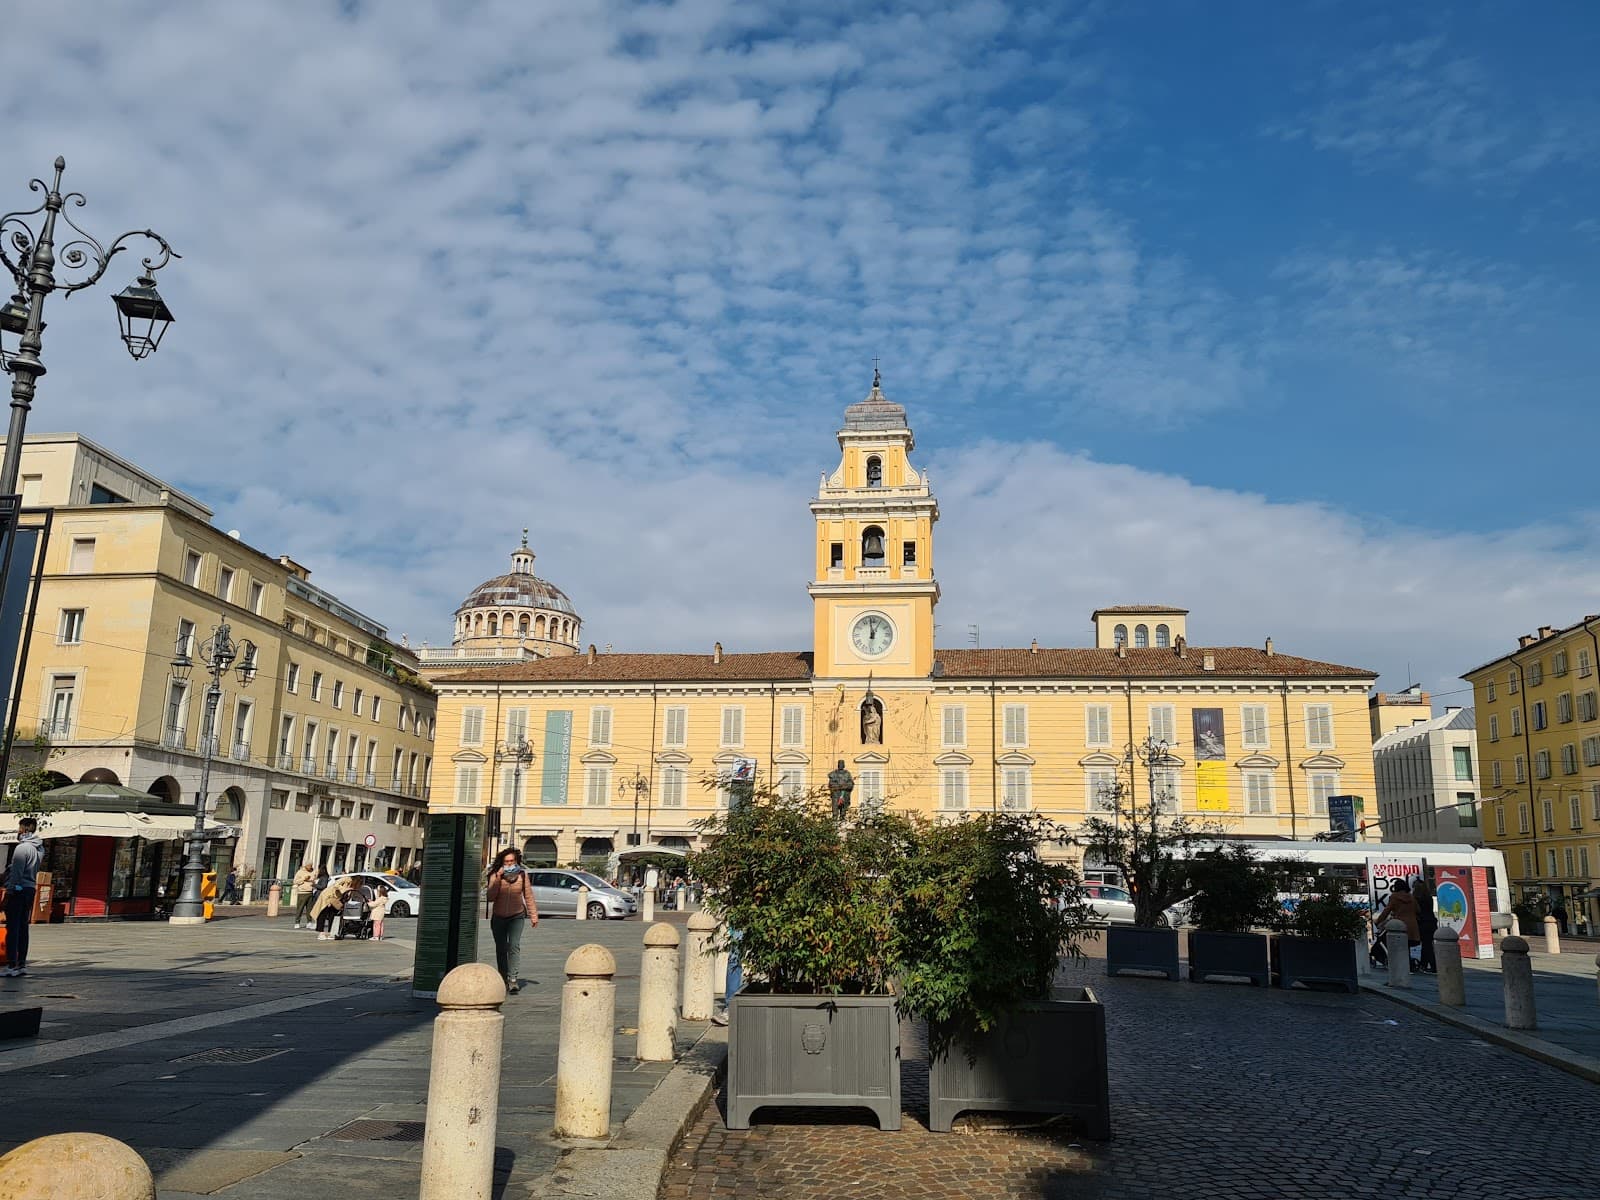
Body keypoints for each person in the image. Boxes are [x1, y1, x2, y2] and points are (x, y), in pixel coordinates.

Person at [486, 848, 538, 994]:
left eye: (512, 861)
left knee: (514, 946)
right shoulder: (495, 875)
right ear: (502, 863)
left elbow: (528, 896)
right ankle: (502, 978)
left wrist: (534, 915)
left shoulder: (522, 875)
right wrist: (498, 877)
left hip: (517, 916)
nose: (509, 864)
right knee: (501, 948)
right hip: (499, 917)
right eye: (506, 862)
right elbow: (490, 897)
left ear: (516, 862)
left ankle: (513, 979)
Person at [3, 817, 44, 977]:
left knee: (12, 928)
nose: (18, 831)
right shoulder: (39, 849)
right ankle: (21, 964)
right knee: (23, 927)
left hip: (18, 890)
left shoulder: (22, 849)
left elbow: (17, 874)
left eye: (19, 828)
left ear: (25, 829)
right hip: (29, 889)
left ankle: (11, 964)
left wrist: (9, 892)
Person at [1372, 878, 1421, 970]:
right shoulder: (1411, 897)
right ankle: (1409, 964)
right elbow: (1418, 910)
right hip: (1412, 927)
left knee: (1386, 941)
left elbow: (1387, 910)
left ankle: (1394, 963)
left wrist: (1378, 921)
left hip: (1398, 925)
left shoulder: (1394, 897)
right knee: (1407, 945)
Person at [1412, 875, 1438, 974]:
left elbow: (1417, 911)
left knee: (1427, 946)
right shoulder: (1429, 898)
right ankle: (1423, 964)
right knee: (1427, 944)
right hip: (1431, 922)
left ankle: (1433, 966)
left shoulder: (1416, 898)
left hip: (1422, 923)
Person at [292, 862, 317, 928]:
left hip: (310, 892)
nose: (310, 867)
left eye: (311, 865)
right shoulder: (300, 872)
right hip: (302, 892)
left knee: (309, 909)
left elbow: (315, 879)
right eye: (309, 865)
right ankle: (297, 922)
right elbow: (295, 881)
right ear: (306, 866)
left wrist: (314, 882)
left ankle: (309, 922)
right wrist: (304, 879)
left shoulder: (313, 871)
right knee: (300, 908)